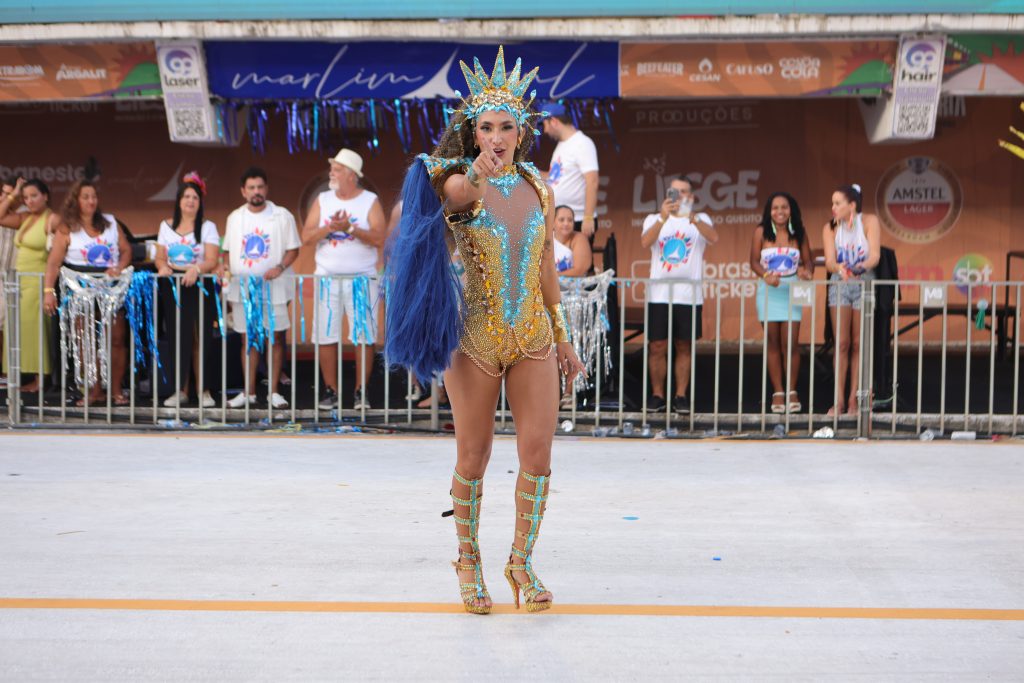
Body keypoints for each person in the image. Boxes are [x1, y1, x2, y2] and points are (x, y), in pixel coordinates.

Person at [385, 46, 585, 615]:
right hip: (472, 339)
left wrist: (564, 334)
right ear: (474, 133)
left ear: (522, 131)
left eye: (506, 127)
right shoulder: (459, 181)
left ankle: (520, 561)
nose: (496, 136)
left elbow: (546, 264)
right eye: (486, 127)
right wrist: (474, 170)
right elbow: (454, 195)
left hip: (532, 338)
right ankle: (468, 562)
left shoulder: (541, 190)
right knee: (472, 455)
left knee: (539, 453)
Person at [302, 149, 386, 410]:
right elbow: (306, 237)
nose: (332, 173)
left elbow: (379, 238)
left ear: (351, 174)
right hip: (327, 279)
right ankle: (331, 392)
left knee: (363, 335)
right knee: (326, 335)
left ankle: (361, 392)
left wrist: (349, 228)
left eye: (337, 169)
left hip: (362, 279)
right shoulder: (323, 200)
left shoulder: (369, 201)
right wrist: (330, 228)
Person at [43, 179, 131, 406]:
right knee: (86, 342)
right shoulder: (66, 228)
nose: (91, 201)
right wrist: (48, 291)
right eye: (85, 197)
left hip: (110, 289)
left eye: (93, 196)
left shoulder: (110, 223)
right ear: (76, 200)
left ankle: (116, 389)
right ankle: (93, 391)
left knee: (117, 339)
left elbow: (126, 250)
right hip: (80, 291)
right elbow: (53, 263)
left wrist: (119, 267)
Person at [221, 167, 300, 409]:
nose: (257, 192)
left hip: (274, 287)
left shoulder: (282, 215)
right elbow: (226, 253)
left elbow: (294, 249)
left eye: (260, 187)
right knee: (248, 339)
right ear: (244, 191)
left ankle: (274, 392)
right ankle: (249, 392)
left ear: (266, 189)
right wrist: (225, 268)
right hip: (242, 289)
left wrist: (279, 267)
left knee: (275, 337)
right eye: (252, 188)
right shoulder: (235, 217)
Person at [641, 176, 718, 414]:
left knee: (684, 345)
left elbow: (714, 238)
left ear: (692, 196)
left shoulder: (700, 219)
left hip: (689, 294)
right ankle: (657, 395)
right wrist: (664, 217)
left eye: (684, 192)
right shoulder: (654, 218)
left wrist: (691, 216)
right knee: (657, 346)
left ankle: (681, 396)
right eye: (674, 192)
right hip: (659, 293)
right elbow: (645, 242)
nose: (679, 197)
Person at [154, 173, 220, 408]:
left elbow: (212, 259)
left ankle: (203, 390)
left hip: (200, 286)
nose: (191, 201)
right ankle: (180, 390)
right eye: (186, 196)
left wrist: (197, 269)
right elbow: (160, 257)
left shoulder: (208, 227)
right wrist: (162, 267)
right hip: (174, 289)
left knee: (200, 339)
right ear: (179, 201)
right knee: (178, 339)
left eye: (195, 197)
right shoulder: (166, 226)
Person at [750, 192, 814, 413]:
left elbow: (808, 263)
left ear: (791, 209)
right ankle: (778, 392)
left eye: (784, 207)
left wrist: (806, 272)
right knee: (773, 342)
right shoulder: (760, 232)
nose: (780, 212)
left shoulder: (800, 232)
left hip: (792, 290)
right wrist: (766, 275)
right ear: (769, 211)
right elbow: (753, 261)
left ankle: (791, 390)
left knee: (791, 343)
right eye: (775, 208)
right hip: (768, 290)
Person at [822, 183, 881, 416]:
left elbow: (875, 254)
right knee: (842, 343)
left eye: (838, 203)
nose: (834, 207)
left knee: (859, 344)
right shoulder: (830, 227)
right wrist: (839, 267)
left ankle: (854, 400)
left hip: (864, 283)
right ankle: (838, 401)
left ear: (852, 205)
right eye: (833, 203)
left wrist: (860, 267)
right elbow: (828, 261)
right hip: (840, 284)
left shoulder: (869, 221)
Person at [1, 178, 53, 393]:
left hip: (39, 280)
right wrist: (14, 194)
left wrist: (49, 288)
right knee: (20, 331)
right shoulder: (24, 217)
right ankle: (23, 377)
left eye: (34, 196)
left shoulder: (53, 219)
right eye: (26, 197)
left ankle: (41, 381)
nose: (29, 201)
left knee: (37, 331)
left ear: (45, 196)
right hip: (20, 282)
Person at [538, 102, 599, 246]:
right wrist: (529, 171)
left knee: (580, 265)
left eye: (545, 125)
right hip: (559, 218)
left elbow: (593, 181)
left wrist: (588, 217)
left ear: (554, 121)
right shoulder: (562, 145)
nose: (545, 131)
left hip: (576, 219)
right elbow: (554, 177)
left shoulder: (582, 143)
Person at [552, 205, 592, 277]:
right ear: (552, 223)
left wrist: (552, 277)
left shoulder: (579, 238)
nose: (566, 223)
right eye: (561, 220)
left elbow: (580, 270)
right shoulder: (545, 238)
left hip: (574, 286)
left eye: (570, 220)